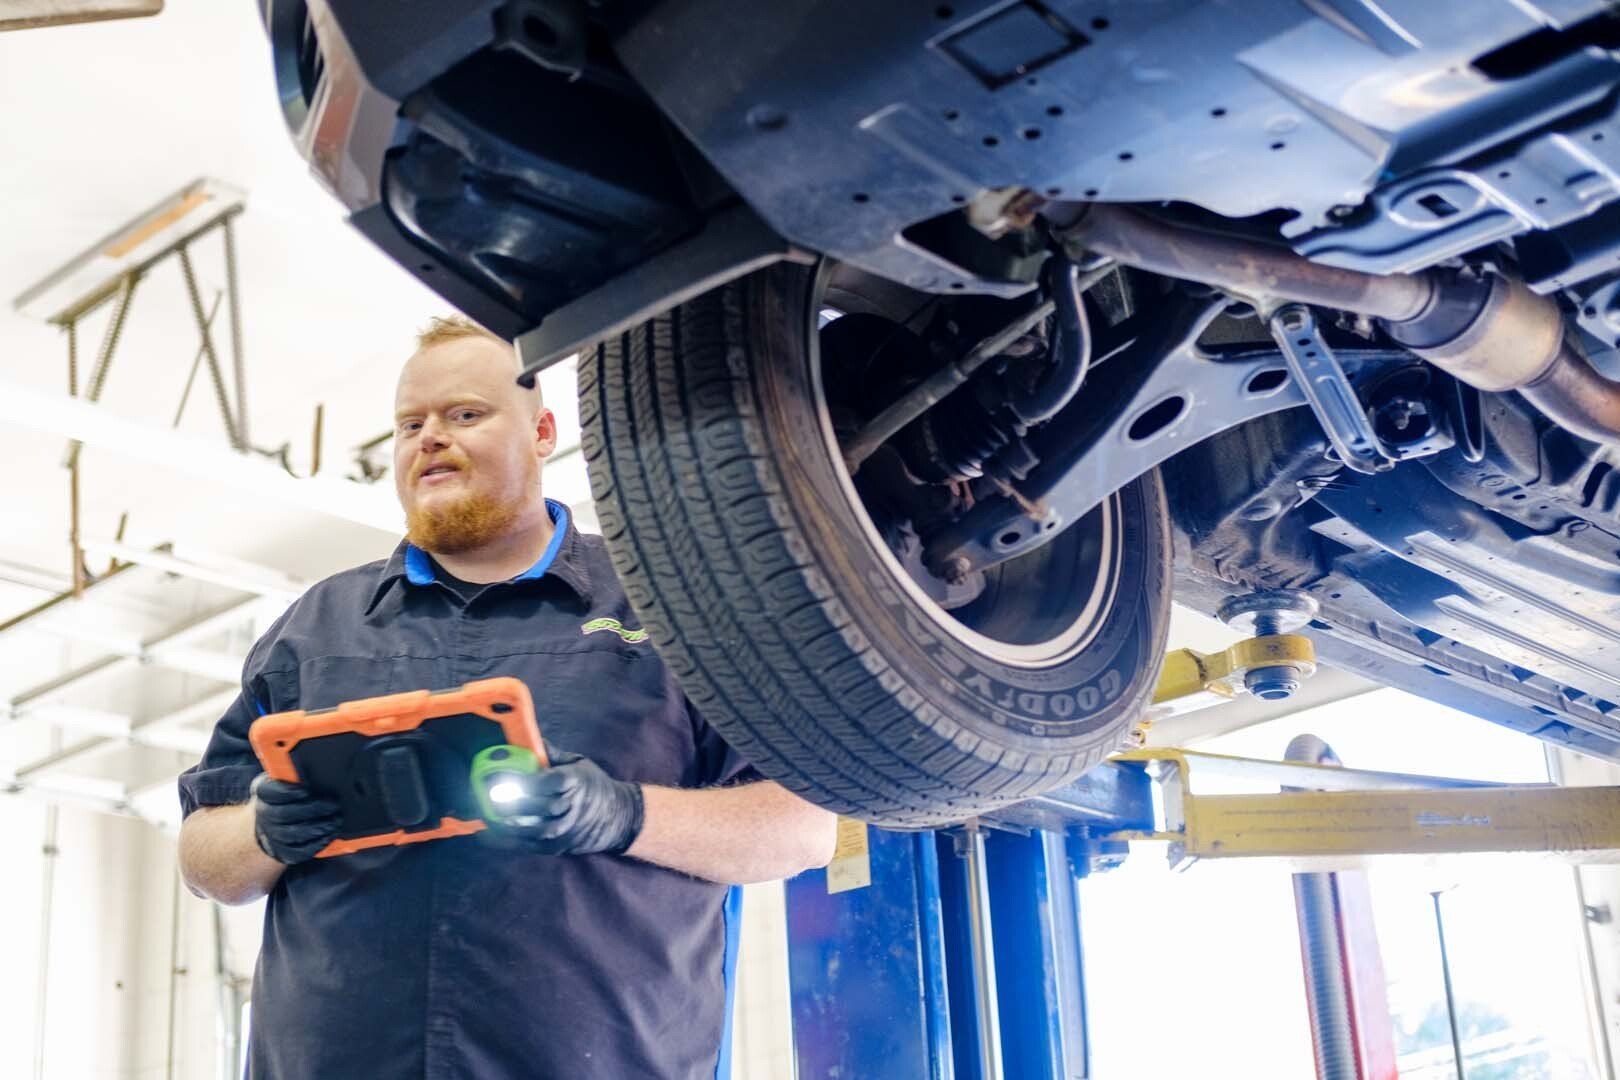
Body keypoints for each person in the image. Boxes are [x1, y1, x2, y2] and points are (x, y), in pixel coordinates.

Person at [176, 316, 838, 1079]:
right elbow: (202, 859)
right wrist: (264, 830)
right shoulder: (313, 628)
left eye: (464, 414)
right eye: (409, 424)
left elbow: (801, 829)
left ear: (543, 431)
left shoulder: (666, 610)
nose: (430, 438)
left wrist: (626, 814)